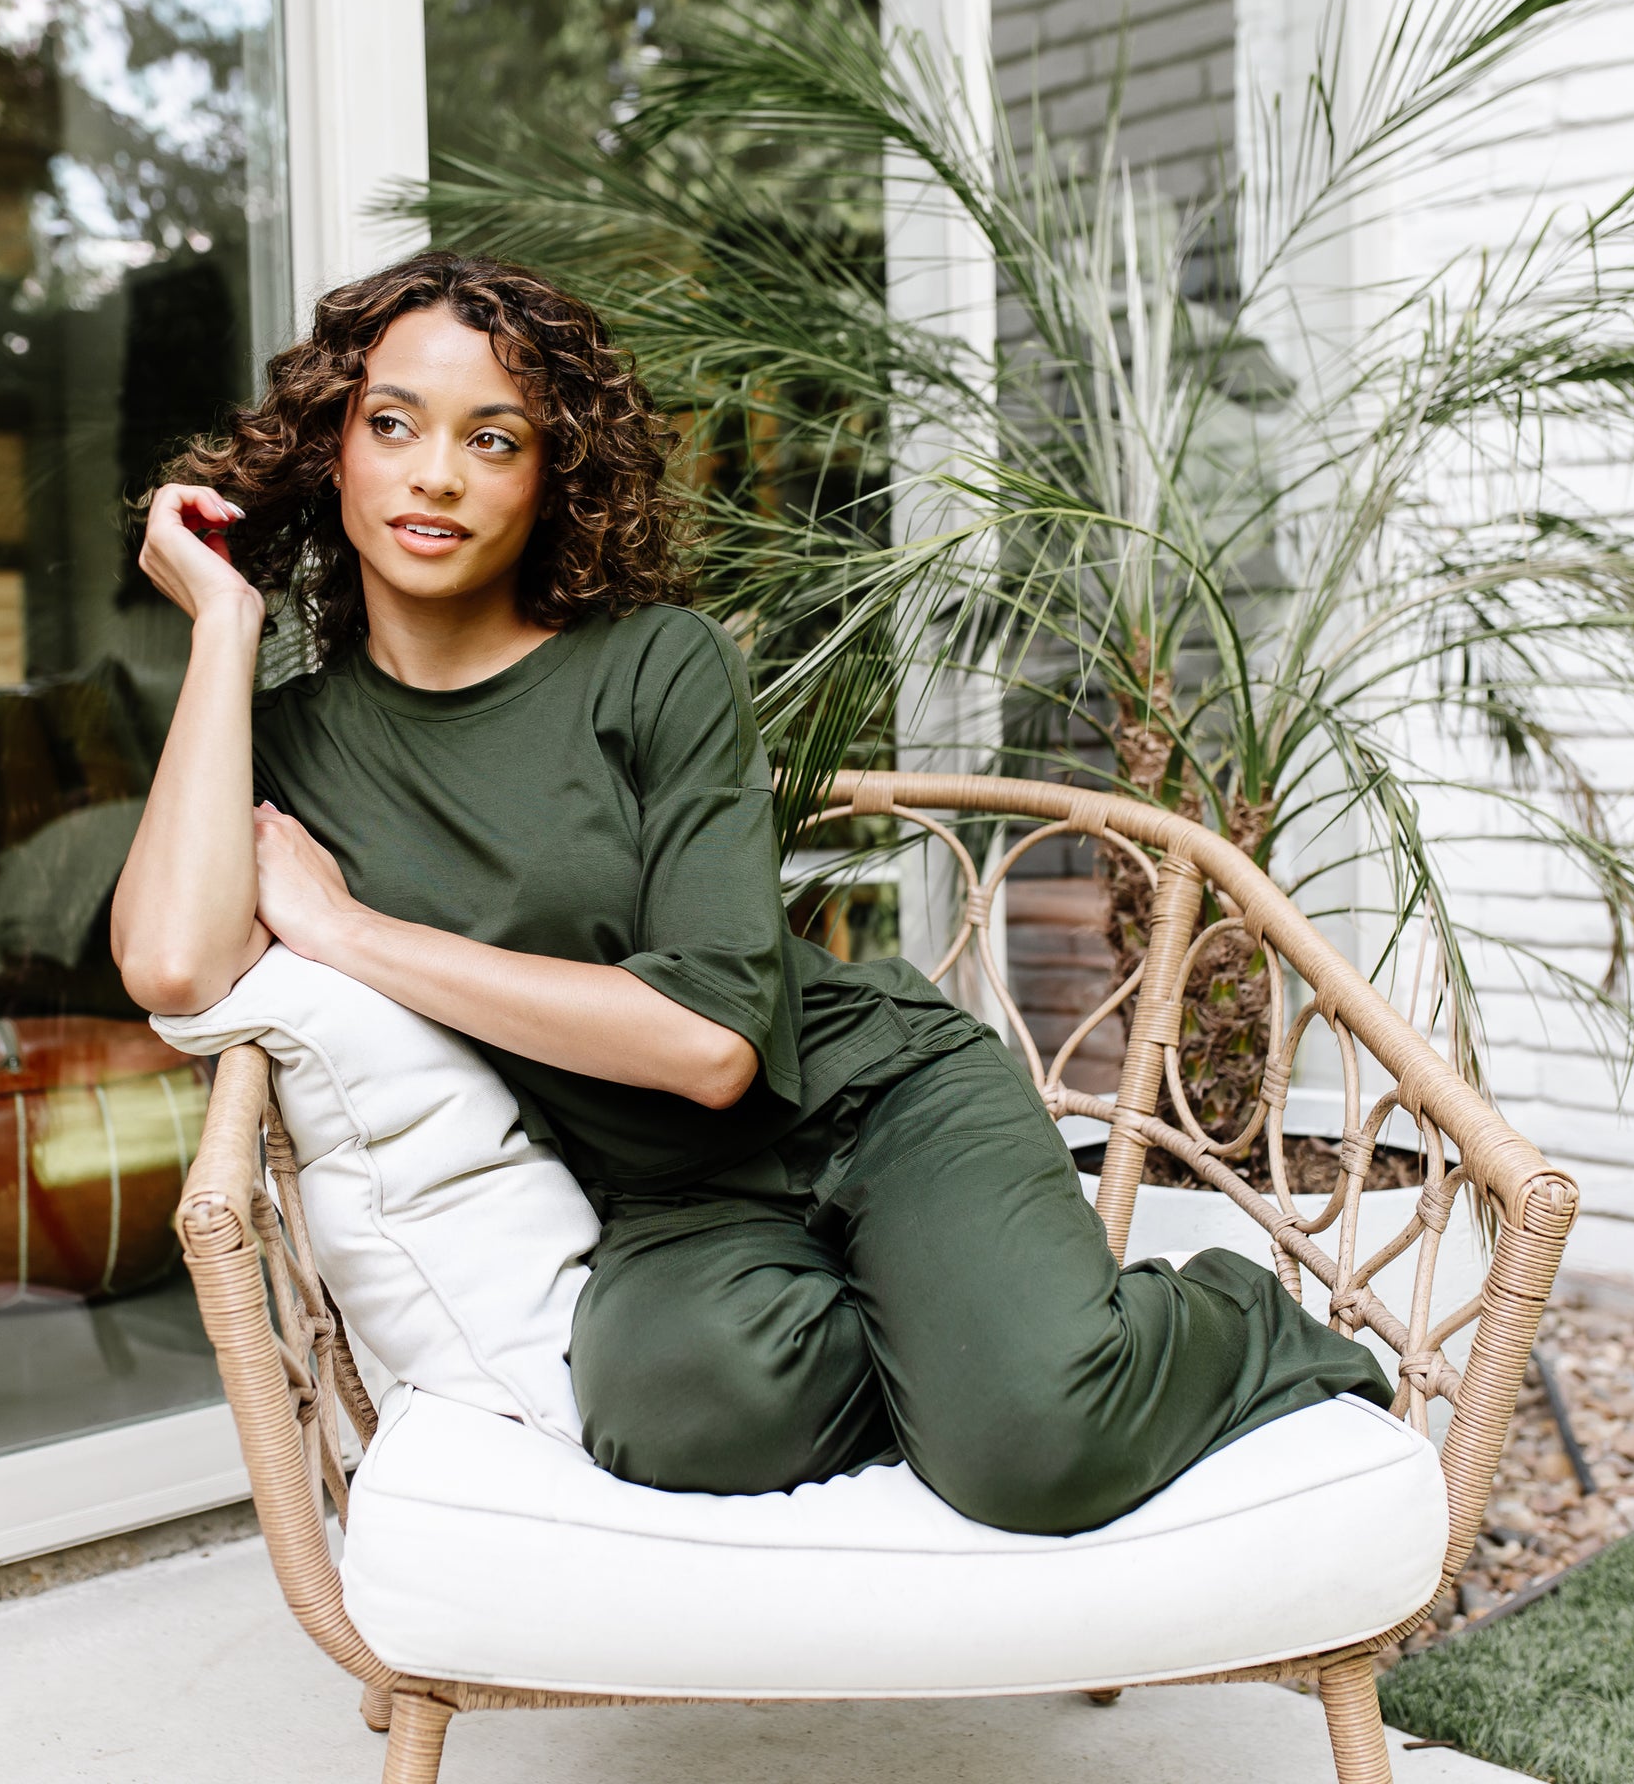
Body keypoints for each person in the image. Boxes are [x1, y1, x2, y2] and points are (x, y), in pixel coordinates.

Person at [112, 251, 1391, 1536]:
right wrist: (224, 625)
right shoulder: (287, 742)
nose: (434, 474)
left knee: (1035, 1458)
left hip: (878, 1102)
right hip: (673, 1203)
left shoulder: (654, 666)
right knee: (676, 1414)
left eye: (492, 439)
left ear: (551, 476)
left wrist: (347, 931)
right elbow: (171, 968)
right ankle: (962, 1345)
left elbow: (713, 1044)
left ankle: (1225, 1318)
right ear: (333, 448)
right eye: (392, 424)